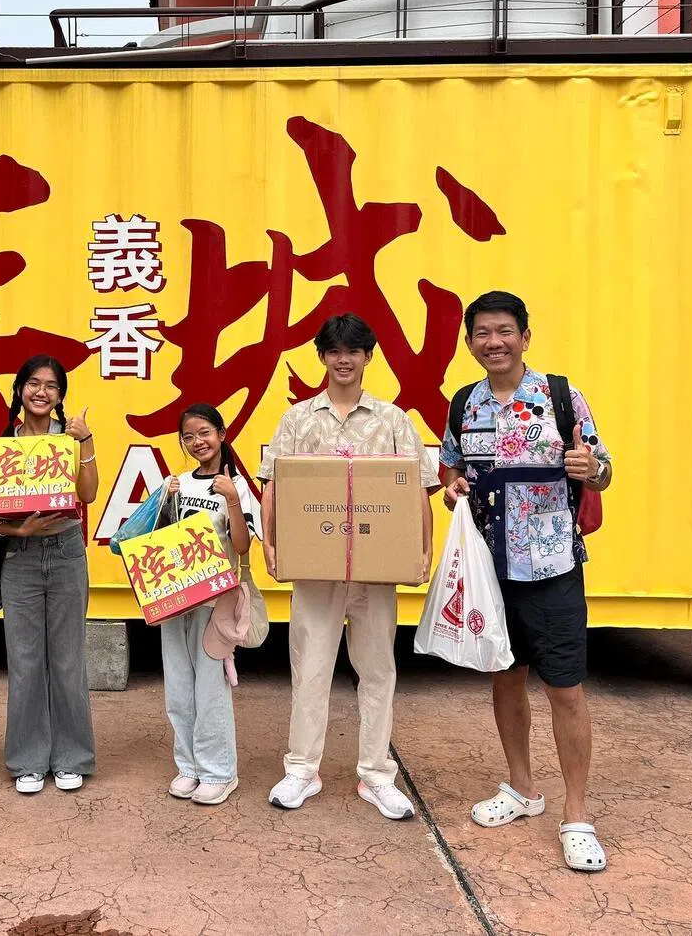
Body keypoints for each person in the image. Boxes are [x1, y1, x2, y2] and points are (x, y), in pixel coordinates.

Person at [440, 290, 613, 873]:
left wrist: (594, 469)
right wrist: (452, 488)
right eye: (483, 333)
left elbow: (604, 467)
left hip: (551, 567)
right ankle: (520, 789)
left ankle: (577, 815)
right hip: (491, 573)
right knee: (504, 679)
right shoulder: (464, 403)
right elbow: (452, 467)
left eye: (505, 331)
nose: (495, 342)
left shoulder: (561, 396)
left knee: (564, 689)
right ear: (470, 343)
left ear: (524, 336)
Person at [259, 314, 438, 819]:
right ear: (322, 357)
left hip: (376, 571)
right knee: (310, 668)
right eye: (334, 350)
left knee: (377, 669)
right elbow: (274, 485)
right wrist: (272, 547)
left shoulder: (393, 419)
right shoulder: (297, 419)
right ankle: (301, 770)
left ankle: (376, 775)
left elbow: (418, 490)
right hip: (316, 572)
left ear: (368, 356)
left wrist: (422, 551)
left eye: (353, 350)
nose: (343, 359)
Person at [0, 355, 99, 794]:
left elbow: (89, 493)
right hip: (19, 557)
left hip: (66, 551)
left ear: (61, 396)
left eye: (52, 386)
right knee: (25, 661)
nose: (42, 392)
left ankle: (71, 758)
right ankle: (27, 759)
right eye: (33, 383)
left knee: (67, 659)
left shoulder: (69, 439)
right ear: (20, 390)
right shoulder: (3, 443)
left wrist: (87, 443)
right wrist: (16, 528)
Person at [160, 404, 260, 807]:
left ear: (221, 433)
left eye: (204, 432)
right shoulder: (178, 483)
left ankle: (219, 771)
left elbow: (241, 546)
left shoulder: (236, 486)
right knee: (179, 689)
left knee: (210, 688)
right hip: (176, 601)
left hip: (215, 605)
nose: (197, 441)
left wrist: (233, 499)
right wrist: (163, 503)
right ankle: (188, 767)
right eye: (188, 436)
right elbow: (161, 540)